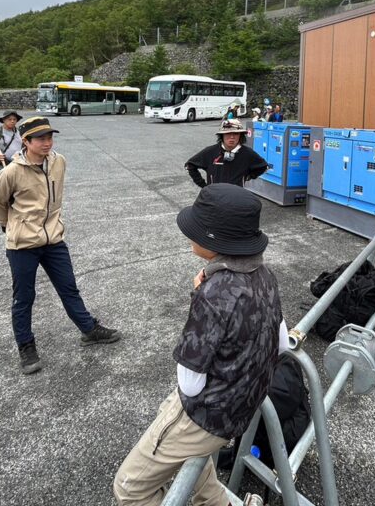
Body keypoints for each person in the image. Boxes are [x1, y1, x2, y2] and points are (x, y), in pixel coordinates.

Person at [113, 183, 287, 505]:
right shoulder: (265, 276)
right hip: (244, 405)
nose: (189, 233)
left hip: (209, 415)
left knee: (129, 488)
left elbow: (190, 385)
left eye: (197, 228)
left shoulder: (214, 294)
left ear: (215, 240)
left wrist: (200, 297)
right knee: (193, 464)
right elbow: (283, 344)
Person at [0, 116, 120, 375]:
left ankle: (89, 330)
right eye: (40, 138)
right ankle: (26, 346)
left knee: (69, 288)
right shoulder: (11, 172)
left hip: (54, 240)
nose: (47, 142)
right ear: (25, 142)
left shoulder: (59, 162)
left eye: (50, 137)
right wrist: (15, 225)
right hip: (23, 244)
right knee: (24, 298)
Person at [185, 118, 267, 189]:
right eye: (228, 133)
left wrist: (248, 176)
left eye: (235, 133)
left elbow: (263, 166)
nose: (232, 137)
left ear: (241, 135)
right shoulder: (210, 152)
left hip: (236, 197)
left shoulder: (248, 153)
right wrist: (204, 186)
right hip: (214, 197)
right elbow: (190, 165)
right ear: (222, 135)